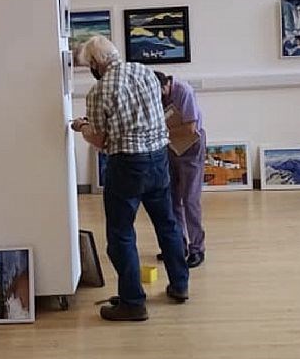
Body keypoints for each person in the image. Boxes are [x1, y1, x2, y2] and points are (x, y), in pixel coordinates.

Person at [71, 35, 189, 322]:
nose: (91, 71)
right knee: (167, 225)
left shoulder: (99, 91)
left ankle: (133, 302)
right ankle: (180, 285)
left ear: (98, 63)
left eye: (90, 66)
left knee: (121, 234)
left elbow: (99, 139)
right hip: (159, 158)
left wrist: (81, 127)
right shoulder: (145, 72)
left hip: (127, 165)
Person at [154, 71, 206, 268]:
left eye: (159, 94)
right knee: (172, 198)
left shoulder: (184, 91)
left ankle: (197, 249)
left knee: (190, 199)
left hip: (191, 146)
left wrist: (162, 131)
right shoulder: (158, 94)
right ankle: (178, 246)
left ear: (165, 85)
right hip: (170, 146)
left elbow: (190, 128)